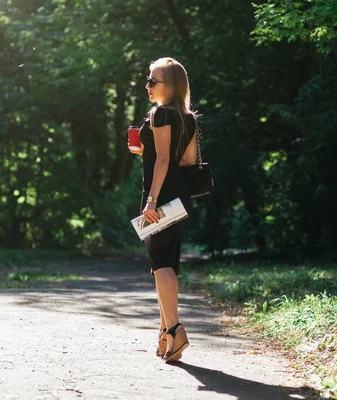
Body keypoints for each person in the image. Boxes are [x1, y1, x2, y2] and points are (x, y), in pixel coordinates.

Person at [129, 57, 198, 362]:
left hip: (160, 196)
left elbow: (163, 161)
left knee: (160, 263)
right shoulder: (188, 118)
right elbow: (186, 161)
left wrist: (152, 200)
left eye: (153, 81)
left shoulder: (159, 115)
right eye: (148, 79)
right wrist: (147, 149)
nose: (147, 85)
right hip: (181, 196)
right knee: (167, 263)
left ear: (169, 86)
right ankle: (164, 336)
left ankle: (175, 329)